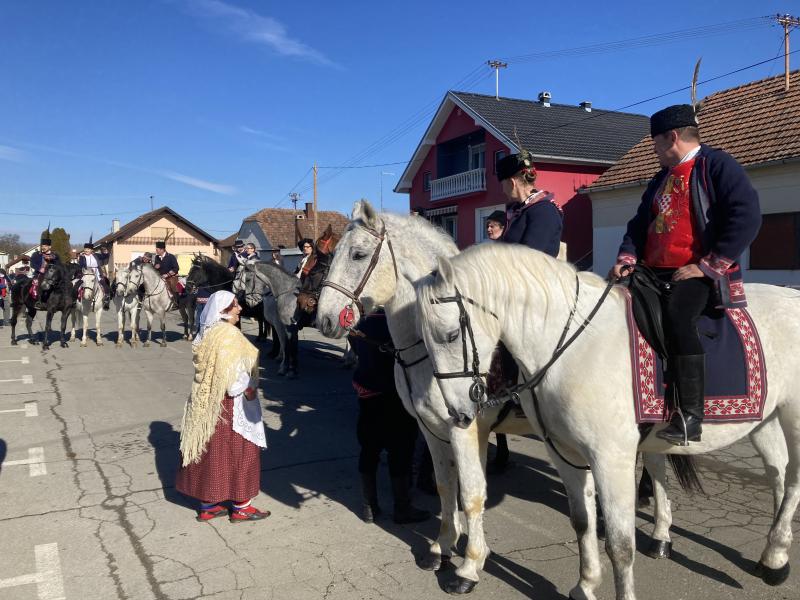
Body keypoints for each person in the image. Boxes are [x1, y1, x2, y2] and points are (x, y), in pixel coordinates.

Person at [609, 104, 761, 445]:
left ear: (671, 137)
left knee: (680, 317)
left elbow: (747, 216)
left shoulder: (717, 166)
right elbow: (638, 225)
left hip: (695, 274)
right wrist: (627, 256)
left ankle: (690, 415)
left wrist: (707, 266)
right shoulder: (660, 178)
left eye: (654, 143)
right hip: (651, 272)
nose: (653, 150)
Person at [175, 290, 270, 522]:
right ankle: (242, 507)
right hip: (230, 403)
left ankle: (209, 505)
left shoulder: (206, 333)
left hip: (207, 403)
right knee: (241, 452)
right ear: (223, 311)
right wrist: (250, 392)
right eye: (235, 305)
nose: (240, 309)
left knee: (211, 453)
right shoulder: (228, 335)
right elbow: (234, 377)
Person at [350, 309, 431, 525]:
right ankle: (402, 509)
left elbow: (356, 347)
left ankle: (369, 507)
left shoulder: (361, 320)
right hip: (396, 395)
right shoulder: (402, 320)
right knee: (401, 452)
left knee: (369, 450)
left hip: (367, 394)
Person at [30, 235, 61, 310]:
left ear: (49, 247)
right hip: (39, 274)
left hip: (52, 275)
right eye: (42, 246)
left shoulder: (55, 255)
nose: (43, 247)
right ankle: (39, 301)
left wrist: (52, 259)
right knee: (39, 283)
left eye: (46, 246)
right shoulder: (36, 254)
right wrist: (40, 269)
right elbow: (32, 264)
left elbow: (58, 264)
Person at [78, 242, 112, 310]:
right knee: (77, 285)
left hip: (97, 272)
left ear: (91, 250)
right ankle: (75, 301)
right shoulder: (82, 257)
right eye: (85, 249)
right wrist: (81, 257)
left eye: (88, 249)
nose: (86, 250)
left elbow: (105, 256)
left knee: (105, 285)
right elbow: (81, 265)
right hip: (86, 273)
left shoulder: (96, 255)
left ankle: (106, 301)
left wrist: (105, 251)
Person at [154, 241, 180, 306]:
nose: (156, 251)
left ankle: (176, 302)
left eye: (157, 250)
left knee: (172, 285)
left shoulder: (171, 257)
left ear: (162, 249)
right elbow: (155, 266)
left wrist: (167, 275)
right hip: (160, 277)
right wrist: (156, 266)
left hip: (171, 277)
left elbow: (176, 268)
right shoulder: (156, 257)